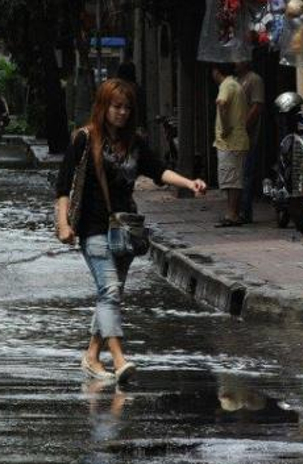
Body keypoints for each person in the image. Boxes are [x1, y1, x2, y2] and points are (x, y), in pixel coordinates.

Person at [54, 79, 206, 382]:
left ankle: (92, 356)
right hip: (93, 228)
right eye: (116, 106)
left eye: (127, 107)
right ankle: (120, 360)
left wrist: (189, 183)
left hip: (125, 230)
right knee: (109, 291)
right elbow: (63, 185)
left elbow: (158, 170)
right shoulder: (84, 139)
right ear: (103, 106)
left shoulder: (135, 143)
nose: (122, 112)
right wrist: (63, 223)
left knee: (110, 295)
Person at [212, 64, 250, 227]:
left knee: (231, 180)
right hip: (236, 140)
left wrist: (226, 127)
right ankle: (232, 212)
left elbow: (221, 103)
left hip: (230, 141)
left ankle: (232, 213)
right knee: (234, 179)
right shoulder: (236, 85)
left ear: (216, 71)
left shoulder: (226, 85)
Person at [236, 62, 264, 224]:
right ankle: (238, 210)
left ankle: (244, 212)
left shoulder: (254, 80)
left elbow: (257, 106)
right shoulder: (236, 80)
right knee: (237, 174)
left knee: (246, 174)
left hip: (248, 136)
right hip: (235, 137)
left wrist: (244, 127)